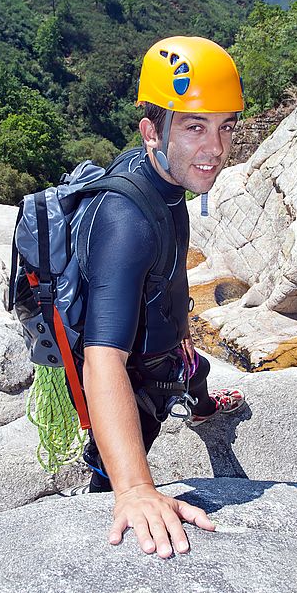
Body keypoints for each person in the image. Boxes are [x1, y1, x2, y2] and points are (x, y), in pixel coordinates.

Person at [79, 36, 245, 559]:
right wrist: (135, 490)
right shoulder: (126, 218)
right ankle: (106, 486)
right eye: (196, 126)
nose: (215, 149)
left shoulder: (168, 178)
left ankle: (201, 408)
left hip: (170, 345)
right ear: (153, 129)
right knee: (119, 468)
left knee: (196, 373)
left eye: (225, 127)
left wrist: (182, 335)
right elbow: (102, 359)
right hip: (135, 374)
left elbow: (167, 275)